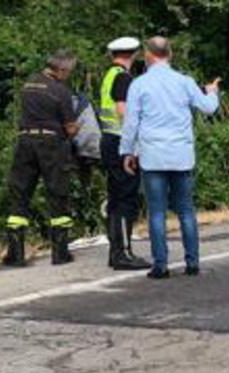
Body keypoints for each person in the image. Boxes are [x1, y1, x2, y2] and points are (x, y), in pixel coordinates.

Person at [120, 36, 221, 279]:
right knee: (186, 210)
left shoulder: (139, 84)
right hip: (181, 154)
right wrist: (212, 92)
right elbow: (208, 108)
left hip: (153, 154)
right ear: (170, 54)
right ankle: (192, 262)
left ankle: (161, 265)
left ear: (148, 54)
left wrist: (127, 151)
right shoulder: (184, 82)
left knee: (156, 211)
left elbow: (132, 122)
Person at [3, 50, 80, 267]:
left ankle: (15, 254)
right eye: (69, 72)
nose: (69, 75)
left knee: (20, 193)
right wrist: (77, 129)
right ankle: (60, 253)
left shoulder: (28, 85)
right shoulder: (61, 92)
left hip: (25, 142)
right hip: (50, 145)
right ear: (61, 69)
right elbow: (70, 128)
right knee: (57, 193)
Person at [100, 37, 151, 271]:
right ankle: (123, 253)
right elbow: (123, 111)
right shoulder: (123, 77)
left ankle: (117, 251)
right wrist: (135, 145)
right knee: (125, 200)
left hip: (110, 141)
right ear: (134, 54)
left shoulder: (109, 75)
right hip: (121, 143)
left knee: (116, 198)